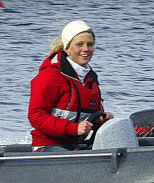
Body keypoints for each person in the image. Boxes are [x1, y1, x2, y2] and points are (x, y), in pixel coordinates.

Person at [29, 20, 114, 151]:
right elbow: (36, 116)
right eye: (79, 44)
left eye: (90, 44)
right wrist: (74, 128)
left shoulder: (90, 78)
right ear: (67, 48)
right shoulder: (50, 76)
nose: (86, 49)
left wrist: (102, 120)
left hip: (75, 145)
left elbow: (91, 114)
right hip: (48, 146)